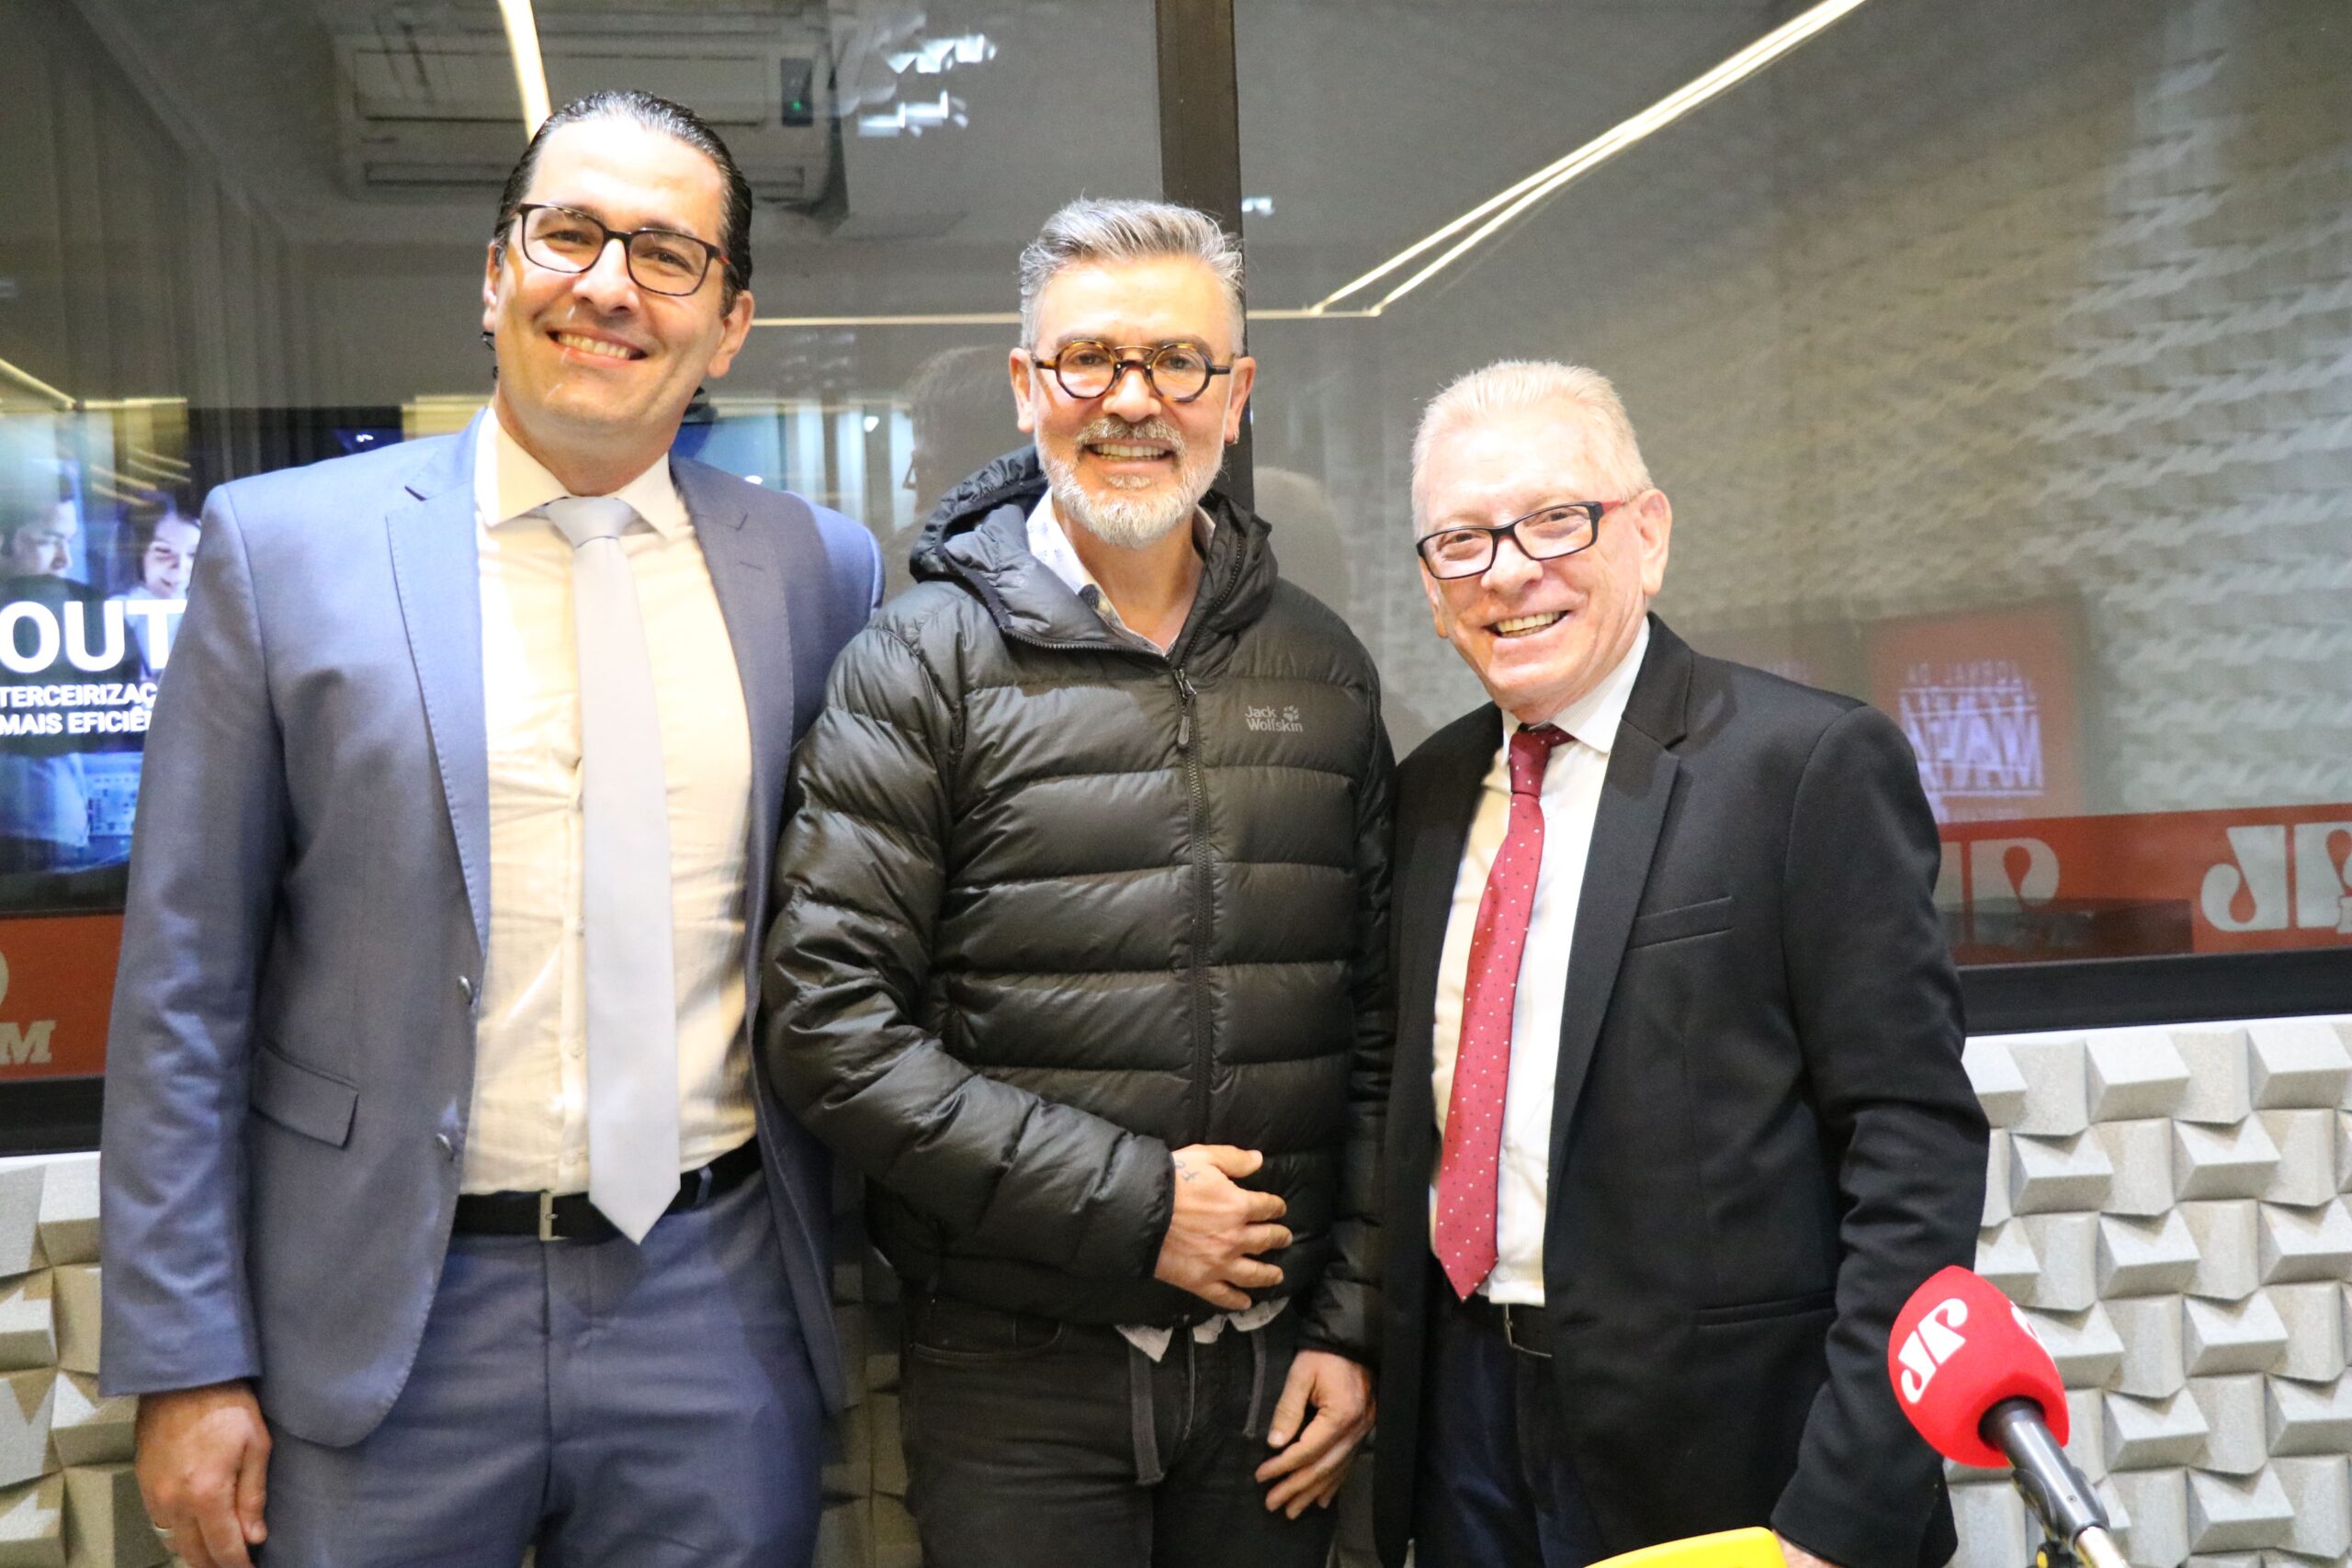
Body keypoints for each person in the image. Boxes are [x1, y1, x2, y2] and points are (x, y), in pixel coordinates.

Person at [98, 89, 881, 1568]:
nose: (606, 285)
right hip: (378, 1316)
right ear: (492, 272)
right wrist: (185, 1355)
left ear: (730, 325)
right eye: (567, 232)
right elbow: (183, 985)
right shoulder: (281, 550)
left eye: (666, 254)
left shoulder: (817, 571)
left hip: (712, 1304)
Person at [765, 197, 1392, 1568]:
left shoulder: (1323, 666)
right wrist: (1138, 1207)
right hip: (1009, 1373)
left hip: (1269, 1380)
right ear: (1024, 386)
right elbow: (828, 1026)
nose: (1132, 402)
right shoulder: (916, 663)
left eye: (1176, 363)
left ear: (1235, 393)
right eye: (1089, 361)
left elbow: (1379, 1036)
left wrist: (1350, 1322)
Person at [1374, 361, 1987, 1568]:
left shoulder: (1805, 766)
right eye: (1462, 540)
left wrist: (1845, 1509)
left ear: (1646, 534)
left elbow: (1911, 1147)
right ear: (1435, 588)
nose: (1508, 567)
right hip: (1465, 1434)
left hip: (1735, 1456)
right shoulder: (1428, 793)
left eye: (1556, 519)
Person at [107, 494, 201, 674]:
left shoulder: (209, 614)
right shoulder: (117, 612)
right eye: (164, 551)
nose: (180, 567)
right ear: (138, 552)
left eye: (192, 554)